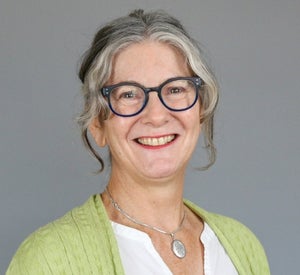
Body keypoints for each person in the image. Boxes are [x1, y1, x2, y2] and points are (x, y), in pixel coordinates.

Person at [7, 9, 270, 274]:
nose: (156, 116)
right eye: (129, 94)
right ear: (97, 124)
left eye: (176, 89)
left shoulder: (243, 247)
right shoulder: (48, 260)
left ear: (200, 112)